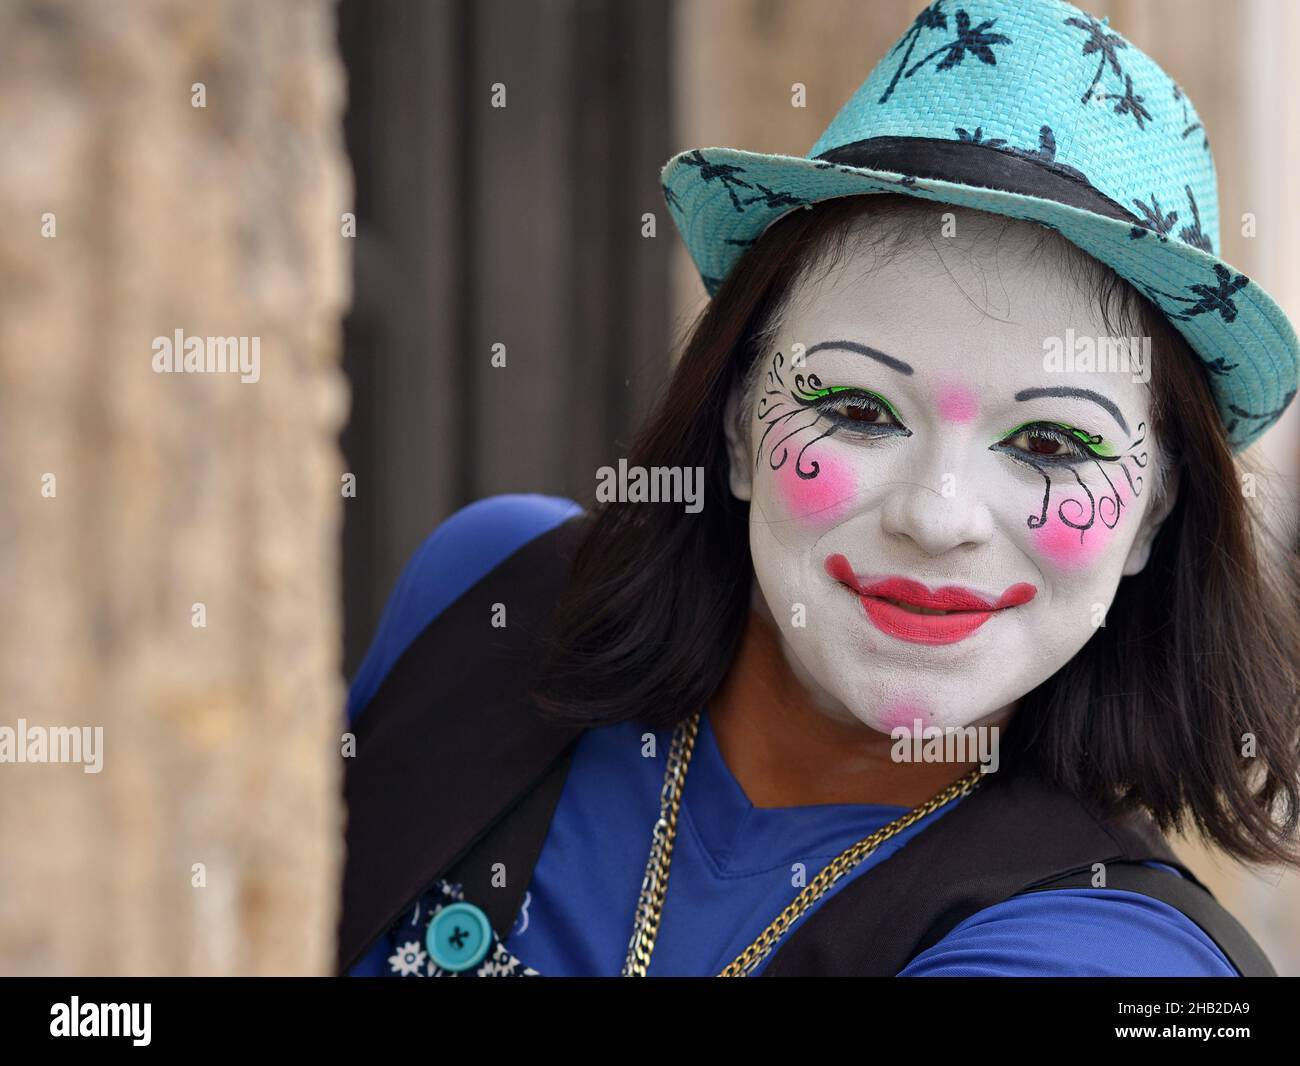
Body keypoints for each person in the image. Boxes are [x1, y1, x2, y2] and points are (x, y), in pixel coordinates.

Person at [338, 0, 1300, 977]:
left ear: (1153, 514)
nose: (935, 516)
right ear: (739, 419)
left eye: (1051, 441)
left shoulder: (1112, 959)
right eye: (857, 409)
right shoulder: (492, 591)